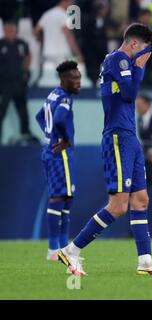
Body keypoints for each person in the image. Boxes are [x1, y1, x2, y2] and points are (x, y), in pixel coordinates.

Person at [58, 23, 152, 276]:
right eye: (144, 49)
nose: (145, 54)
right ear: (134, 44)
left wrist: (137, 67)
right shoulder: (119, 59)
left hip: (129, 136)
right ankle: (72, 250)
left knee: (141, 200)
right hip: (117, 138)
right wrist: (139, 67)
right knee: (119, 206)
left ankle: (145, 261)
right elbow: (130, 93)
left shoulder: (120, 61)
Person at [35, 61, 81, 261]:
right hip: (59, 154)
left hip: (49, 150)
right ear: (64, 79)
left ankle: (61, 247)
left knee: (66, 197)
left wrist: (48, 136)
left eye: (80, 77)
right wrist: (65, 140)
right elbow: (61, 119)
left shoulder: (52, 94)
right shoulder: (64, 98)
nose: (79, 82)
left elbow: (39, 116)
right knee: (59, 198)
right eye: (75, 78)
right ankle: (54, 249)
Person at [0, 20, 32, 143]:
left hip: (19, 83)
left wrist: (25, 70)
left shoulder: (21, 43)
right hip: (5, 84)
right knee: (2, 111)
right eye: (7, 30)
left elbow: (28, 56)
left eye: (12, 30)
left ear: (16, 31)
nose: (10, 33)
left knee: (23, 110)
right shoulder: (1, 44)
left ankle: (25, 134)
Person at [34, 0, 84, 64]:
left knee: (48, 73)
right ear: (65, 1)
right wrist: (78, 54)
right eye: (71, 3)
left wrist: (42, 40)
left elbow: (36, 31)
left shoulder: (47, 14)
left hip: (48, 54)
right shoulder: (64, 15)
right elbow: (69, 35)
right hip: (62, 54)